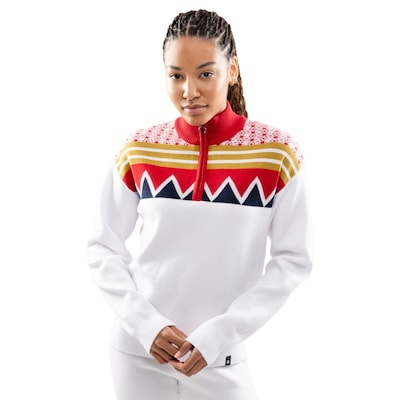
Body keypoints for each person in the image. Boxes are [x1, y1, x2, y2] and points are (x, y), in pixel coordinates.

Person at [87, 9, 312, 400]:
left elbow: (293, 260)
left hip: (220, 358)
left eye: (205, 74)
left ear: (232, 70)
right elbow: (102, 246)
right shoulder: (139, 148)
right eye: (176, 76)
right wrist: (146, 325)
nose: (189, 91)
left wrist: (219, 334)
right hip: (138, 353)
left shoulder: (277, 153)